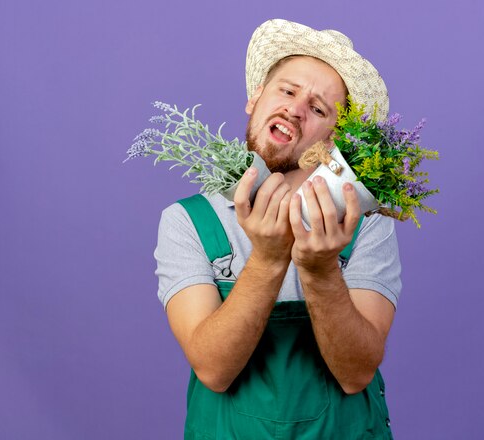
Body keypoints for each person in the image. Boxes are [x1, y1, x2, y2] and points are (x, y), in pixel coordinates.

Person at [155, 19, 402, 439]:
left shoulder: (365, 224)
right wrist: (268, 259)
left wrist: (322, 269)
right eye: (287, 90)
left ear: (331, 142)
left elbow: (356, 373)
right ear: (256, 98)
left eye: (319, 108)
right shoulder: (188, 222)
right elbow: (213, 369)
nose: (296, 107)